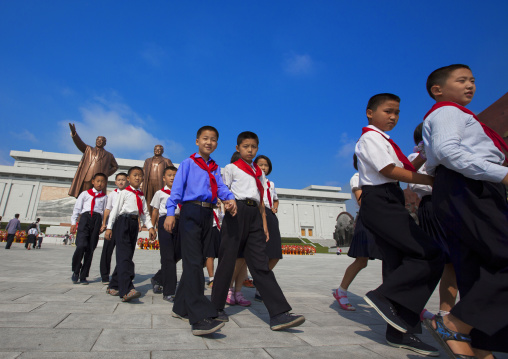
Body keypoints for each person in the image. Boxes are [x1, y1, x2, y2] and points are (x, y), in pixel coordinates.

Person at [423, 64, 508, 358]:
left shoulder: (459, 115)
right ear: (438, 90)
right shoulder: (448, 112)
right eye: (461, 80)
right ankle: (453, 323)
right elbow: (449, 152)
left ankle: (483, 346)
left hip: (462, 186)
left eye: (472, 80)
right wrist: (501, 174)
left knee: (479, 269)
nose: (470, 85)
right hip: (469, 185)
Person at [355, 93, 443, 355]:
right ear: (370, 113)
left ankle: (399, 332)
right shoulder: (370, 137)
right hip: (380, 200)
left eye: (397, 113)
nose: (393, 117)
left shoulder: (385, 140)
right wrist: (430, 181)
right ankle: (384, 295)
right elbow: (389, 170)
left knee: (396, 264)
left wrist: (424, 154)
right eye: (388, 111)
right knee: (431, 253)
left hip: (388, 198)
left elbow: (403, 165)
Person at [212, 131, 305, 332]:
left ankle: (279, 314)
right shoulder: (230, 168)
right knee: (227, 261)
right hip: (236, 212)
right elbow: (221, 190)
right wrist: (226, 205)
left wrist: (263, 224)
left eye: (253, 147)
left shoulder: (258, 173)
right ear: (238, 148)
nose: (250, 150)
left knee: (260, 263)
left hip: (255, 215)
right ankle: (216, 308)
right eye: (246, 146)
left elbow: (261, 200)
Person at [163, 125, 237, 336]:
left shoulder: (215, 167)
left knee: (197, 262)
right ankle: (199, 317)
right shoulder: (187, 164)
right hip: (191, 212)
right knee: (193, 263)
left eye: (213, 139)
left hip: (207, 215)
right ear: (197, 141)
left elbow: (221, 188)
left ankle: (179, 307)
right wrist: (170, 213)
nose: (209, 142)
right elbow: (176, 190)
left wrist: (229, 199)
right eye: (205, 138)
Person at [408, 123, 458, 321]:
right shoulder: (415, 159)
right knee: (439, 259)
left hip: (453, 205)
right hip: (433, 206)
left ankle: (446, 313)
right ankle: (411, 303)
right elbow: (412, 182)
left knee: (453, 262)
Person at [334, 155, 382, 311]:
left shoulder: (380, 177)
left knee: (392, 259)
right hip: (368, 220)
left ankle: (394, 297)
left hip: (385, 219)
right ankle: (341, 291)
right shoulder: (357, 178)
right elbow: (361, 201)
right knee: (362, 261)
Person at [105, 167, 156, 302]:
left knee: (126, 255)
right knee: (124, 257)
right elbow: (115, 211)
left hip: (134, 224)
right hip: (123, 222)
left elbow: (145, 213)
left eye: (140, 176)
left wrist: (150, 227)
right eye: (135, 175)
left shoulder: (141, 195)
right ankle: (126, 290)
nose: (137, 178)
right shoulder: (124, 193)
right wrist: (109, 228)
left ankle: (113, 285)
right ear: (129, 178)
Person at [253, 154, 283, 302]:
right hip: (258, 214)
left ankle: (260, 280)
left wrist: (275, 208)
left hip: (270, 216)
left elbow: (276, 199)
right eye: (260, 165)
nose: (263, 167)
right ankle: (261, 287)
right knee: (261, 253)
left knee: (275, 253)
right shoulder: (253, 180)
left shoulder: (271, 184)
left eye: (265, 165)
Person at [70, 173, 108, 285]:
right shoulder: (85, 194)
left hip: (96, 221)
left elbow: (106, 211)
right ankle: (76, 270)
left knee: (90, 249)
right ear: (93, 181)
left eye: (102, 181)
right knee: (81, 246)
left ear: (105, 183)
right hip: (85, 219)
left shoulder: (105, 197)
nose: (100, 183)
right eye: (98, 181)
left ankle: (83, 275)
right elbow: (77, 208)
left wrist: (103, 225)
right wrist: (73, 222)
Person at [150, 166, 181, 302]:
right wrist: (152, 227)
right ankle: (169, 292)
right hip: (164, 223)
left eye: (175, 175)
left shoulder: (182, 193)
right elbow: (155, 211)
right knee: (168, 257)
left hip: (180, 223)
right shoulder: (159, 193)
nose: (172, 177)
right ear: (164, 178)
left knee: (178, 254)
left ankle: (158, 278)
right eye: (169, 175)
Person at [68, 123, 118, 198]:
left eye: (101, 140)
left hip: (100, 179)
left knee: (98, 197)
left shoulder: (109, 155)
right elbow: (79, 143)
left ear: (104, 143)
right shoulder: (89, 149)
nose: (99, 141)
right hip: (88, 176)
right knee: (85, 196)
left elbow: (115, 167)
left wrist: (106, 173)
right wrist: (74, 133)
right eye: (97, 140)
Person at [99, 172, 128, 284]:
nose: (121, 181)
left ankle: (119, 275)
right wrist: (104, 224)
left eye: (123, 179)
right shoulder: (112, 194)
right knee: (107, 250)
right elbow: (107, 209)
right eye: (119, 180)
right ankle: (105, 275)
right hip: (113, 223)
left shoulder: (129, 193)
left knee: (122, 251)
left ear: (127, 181)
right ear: (115, 182)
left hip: (124, 223)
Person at [205, 199, 224, 288]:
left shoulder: (218, 203)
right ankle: (211, 278)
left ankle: (219, 277)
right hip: (209, 229)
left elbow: (221, 219)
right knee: (210, 254)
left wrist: (220, 208)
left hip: (217, 230)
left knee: (221, 254)